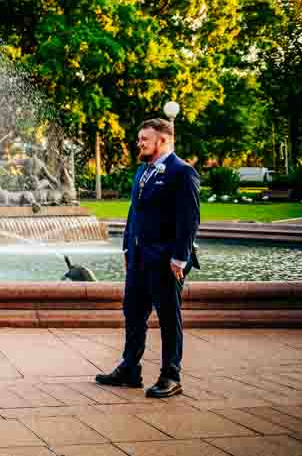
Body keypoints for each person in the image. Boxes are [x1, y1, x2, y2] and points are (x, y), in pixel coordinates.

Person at [95, 118, 200, 398]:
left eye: (145, 139)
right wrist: (127, 249)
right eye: (139, 138)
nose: (139, 143)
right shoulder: (143, 170)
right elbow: (134, 212)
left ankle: (171, 375)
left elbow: (189, 219)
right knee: (133, 312)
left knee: (168, 317)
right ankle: (130, 369)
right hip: (139, 257)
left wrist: (180, 258)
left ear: (162, 140)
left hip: (166, 260)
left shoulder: (182, 172)